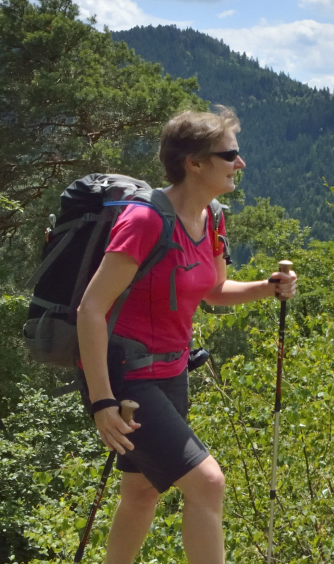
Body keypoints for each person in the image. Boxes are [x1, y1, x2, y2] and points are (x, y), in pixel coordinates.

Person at [76, 105, 296, 564]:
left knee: (141, 492)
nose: (241, 163)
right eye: (229, 154)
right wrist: (101, 402)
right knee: (208, 483)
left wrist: (265, 288)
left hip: (171, 371)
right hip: (125, 375)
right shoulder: (144, 223)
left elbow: (213, 291)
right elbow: (91, 309)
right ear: (193, 163)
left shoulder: (212, 218)